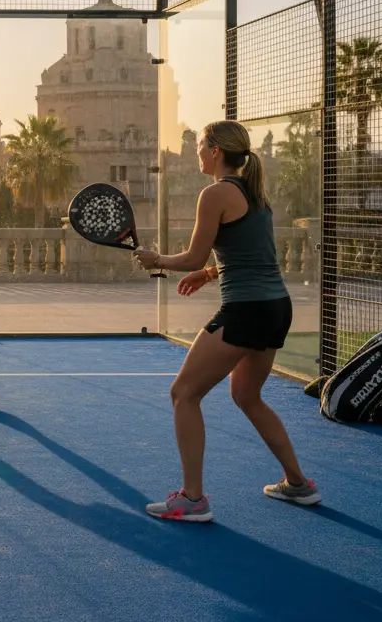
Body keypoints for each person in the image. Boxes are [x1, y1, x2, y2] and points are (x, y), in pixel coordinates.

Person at [133, 119, 319, 523]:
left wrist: (157, 260)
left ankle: (193, 499)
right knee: (247, 397)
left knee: (183, 394)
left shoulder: (214, 193)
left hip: (246, 310)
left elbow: (193, 255)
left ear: (215, 150)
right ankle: (298, 484)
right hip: (275, 308)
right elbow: (250, 251)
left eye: (201, 145)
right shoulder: (255, 193)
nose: (197, 151)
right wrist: (211, 274)